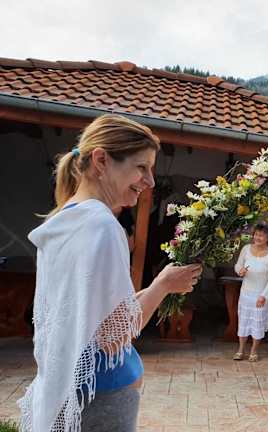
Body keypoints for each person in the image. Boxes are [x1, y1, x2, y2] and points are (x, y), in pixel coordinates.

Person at [18, 114, 202, 432]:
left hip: (70, 387)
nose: (150, 181)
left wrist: (158, 288)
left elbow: (96, 314)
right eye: (141, 167)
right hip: (101, 396)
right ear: (101, 160)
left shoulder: (64, 219)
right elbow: (114, 337)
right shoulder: (102, 225)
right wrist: (162, 284)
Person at [233, 223, 268, 362]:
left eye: (261, 235)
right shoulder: (246, 249)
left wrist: (264, 295)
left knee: (257, 323)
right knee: (243, 321)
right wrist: (240, 271)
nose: (258, 238)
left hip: (261, 294)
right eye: (256, 234)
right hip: (246, 293)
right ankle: (240, 350)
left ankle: (254, 351)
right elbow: (238, 265)